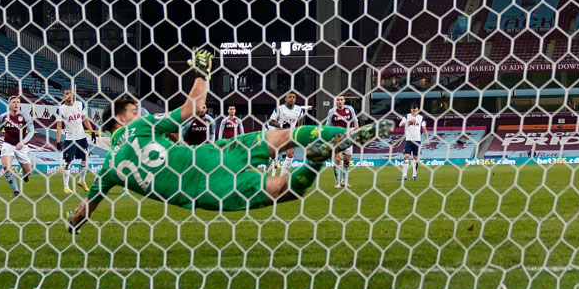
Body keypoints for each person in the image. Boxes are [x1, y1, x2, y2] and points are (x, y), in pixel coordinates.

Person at [65, 49, 392, 233]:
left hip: (205, 190)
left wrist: (72, 225)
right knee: (282, 136)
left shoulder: (107, 168)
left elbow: (85, 208)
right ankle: (343, 137)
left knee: (282, 190)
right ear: (121, 119)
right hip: (210, 155)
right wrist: (201, 71)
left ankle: (316, 160)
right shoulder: (140, 128)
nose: (139, 112)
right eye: (134, 110)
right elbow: (192, 106)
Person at [54, 88, 96, 193]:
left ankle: (82, 181)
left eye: (70, 93)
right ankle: (66, 186)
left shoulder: (80, 105)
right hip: (70, 138)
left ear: (73, 95)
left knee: (85, 158)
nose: (68, 95)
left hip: (81, 137)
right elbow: (59, 126)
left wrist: (92, 131)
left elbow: (85, 119)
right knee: (68, 162)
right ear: (64, 97)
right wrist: (58, 141)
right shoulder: (61, 109)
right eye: (66, 93)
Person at [0, 95, 35, 198]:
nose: (16, 104)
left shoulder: (25, 116)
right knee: (6, 166)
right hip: (8, 144)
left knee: (29, 170)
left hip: (21, 145)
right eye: (14, 102)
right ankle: (16, 191)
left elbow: (31, 132)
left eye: (18, 102)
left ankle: (25, 174)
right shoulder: (3, 117)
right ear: (9, 104)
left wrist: (23, 142)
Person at [267, 92, 305, 176]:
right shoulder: (279, 109)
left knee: (290, 154)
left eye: (294, 97)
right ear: (285, 99)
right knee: (272, 155)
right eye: (290, 97)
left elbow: (300, 124)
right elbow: (270, 121)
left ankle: (281, 177)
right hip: (278, 134)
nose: (292, 98)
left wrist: (298, 133)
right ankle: (265, 172)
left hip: (290, 135)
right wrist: (281, 125)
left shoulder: (299, 110)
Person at [331, 94, 360, 188]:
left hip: (348, 136)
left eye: (341, 99)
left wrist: (356, 133)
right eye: (338, 100)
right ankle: (337, 182)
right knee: (337, 159)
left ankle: (344, 181)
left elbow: (355, 121)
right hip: (337, 137)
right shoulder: (332, 111)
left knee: (347, 160)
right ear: (336, 101)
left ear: (344, 101)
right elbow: (327, 125)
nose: (339, 101)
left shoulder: (350, 109)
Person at [396, 104, 427, 182]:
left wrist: (427, 139)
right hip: (409, 140)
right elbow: (400, 125)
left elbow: (424, 129)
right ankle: (404, 176)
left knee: (415, 158)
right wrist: (409, 121)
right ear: (410, 110)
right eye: (413, 110)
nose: (414, 112)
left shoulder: (421, 118)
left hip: (417, 140)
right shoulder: (407, 116)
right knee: (406, 157)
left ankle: (414, 175)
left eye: (416, 110)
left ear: (418, 110)